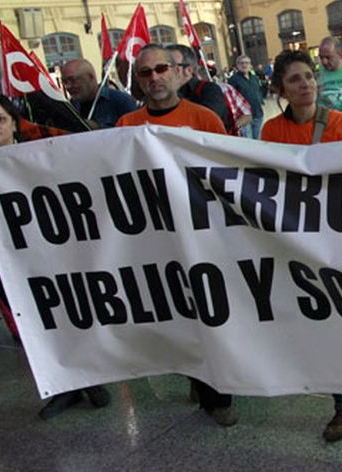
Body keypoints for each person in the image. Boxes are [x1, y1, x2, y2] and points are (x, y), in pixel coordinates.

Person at [0, 95, 112, 420]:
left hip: (49, 255)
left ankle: (92, 377)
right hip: (2, 263)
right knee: (35, 330)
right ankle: (62, 387)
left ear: (13, 123)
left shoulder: (36, 154)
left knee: (70, 318)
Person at [115, 44, 237, 426]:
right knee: (179, 314)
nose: (154, 78)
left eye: (160, 68)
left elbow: (227, 173)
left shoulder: (204, 118)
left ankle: (220, 395)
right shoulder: (126, 126)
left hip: (202, 235)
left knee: (212, 312)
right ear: (138, 81)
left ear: (177, 72)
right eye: (145, 73)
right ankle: (199, 377)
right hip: (156, 239)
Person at [260, 49, 342, 441]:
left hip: (335, 235)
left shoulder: (338, 123)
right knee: (317, 316)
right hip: (294, 234)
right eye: (295, 80)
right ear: (280, 89)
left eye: (309, 76)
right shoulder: (271, 131)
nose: (306, 85)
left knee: (338, 315)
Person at [167, 44, 239, 132]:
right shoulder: (163, 94)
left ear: (188, 70)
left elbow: (203, 123)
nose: (164, 71)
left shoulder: (210, 90)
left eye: (170, 66)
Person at [61, 58, 138, 128]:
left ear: (90, 77)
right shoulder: (72, 105)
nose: (68, 86)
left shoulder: (121, 101)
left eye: (73, 80)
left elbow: (136, 132)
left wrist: (99, 128)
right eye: (64, 82)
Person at [228, 55, 266, 139]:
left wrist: (261, 101)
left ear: (250, 65)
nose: (244, 65)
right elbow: (231, 98)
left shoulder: (254, 78)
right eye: (241, 63)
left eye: (246, 63)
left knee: (258, 140)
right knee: (248, 142)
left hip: (258, 114)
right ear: (237, 65)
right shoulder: (233, 80)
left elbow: (258, 91)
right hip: (244, 117)